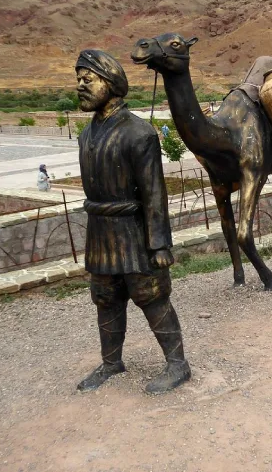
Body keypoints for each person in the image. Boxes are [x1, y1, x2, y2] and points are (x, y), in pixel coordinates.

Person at [74, 49, 191, 394]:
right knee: (105, 297)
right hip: (101, 231)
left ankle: (178, 364)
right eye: (78, 78)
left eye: (88, 78)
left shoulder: (139, 133)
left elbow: (155, 195)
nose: (80, 84)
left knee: (151, 295)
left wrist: (159, 244)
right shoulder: (85, 136)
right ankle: (111, 362)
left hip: (134, 232)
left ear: (110, 83)